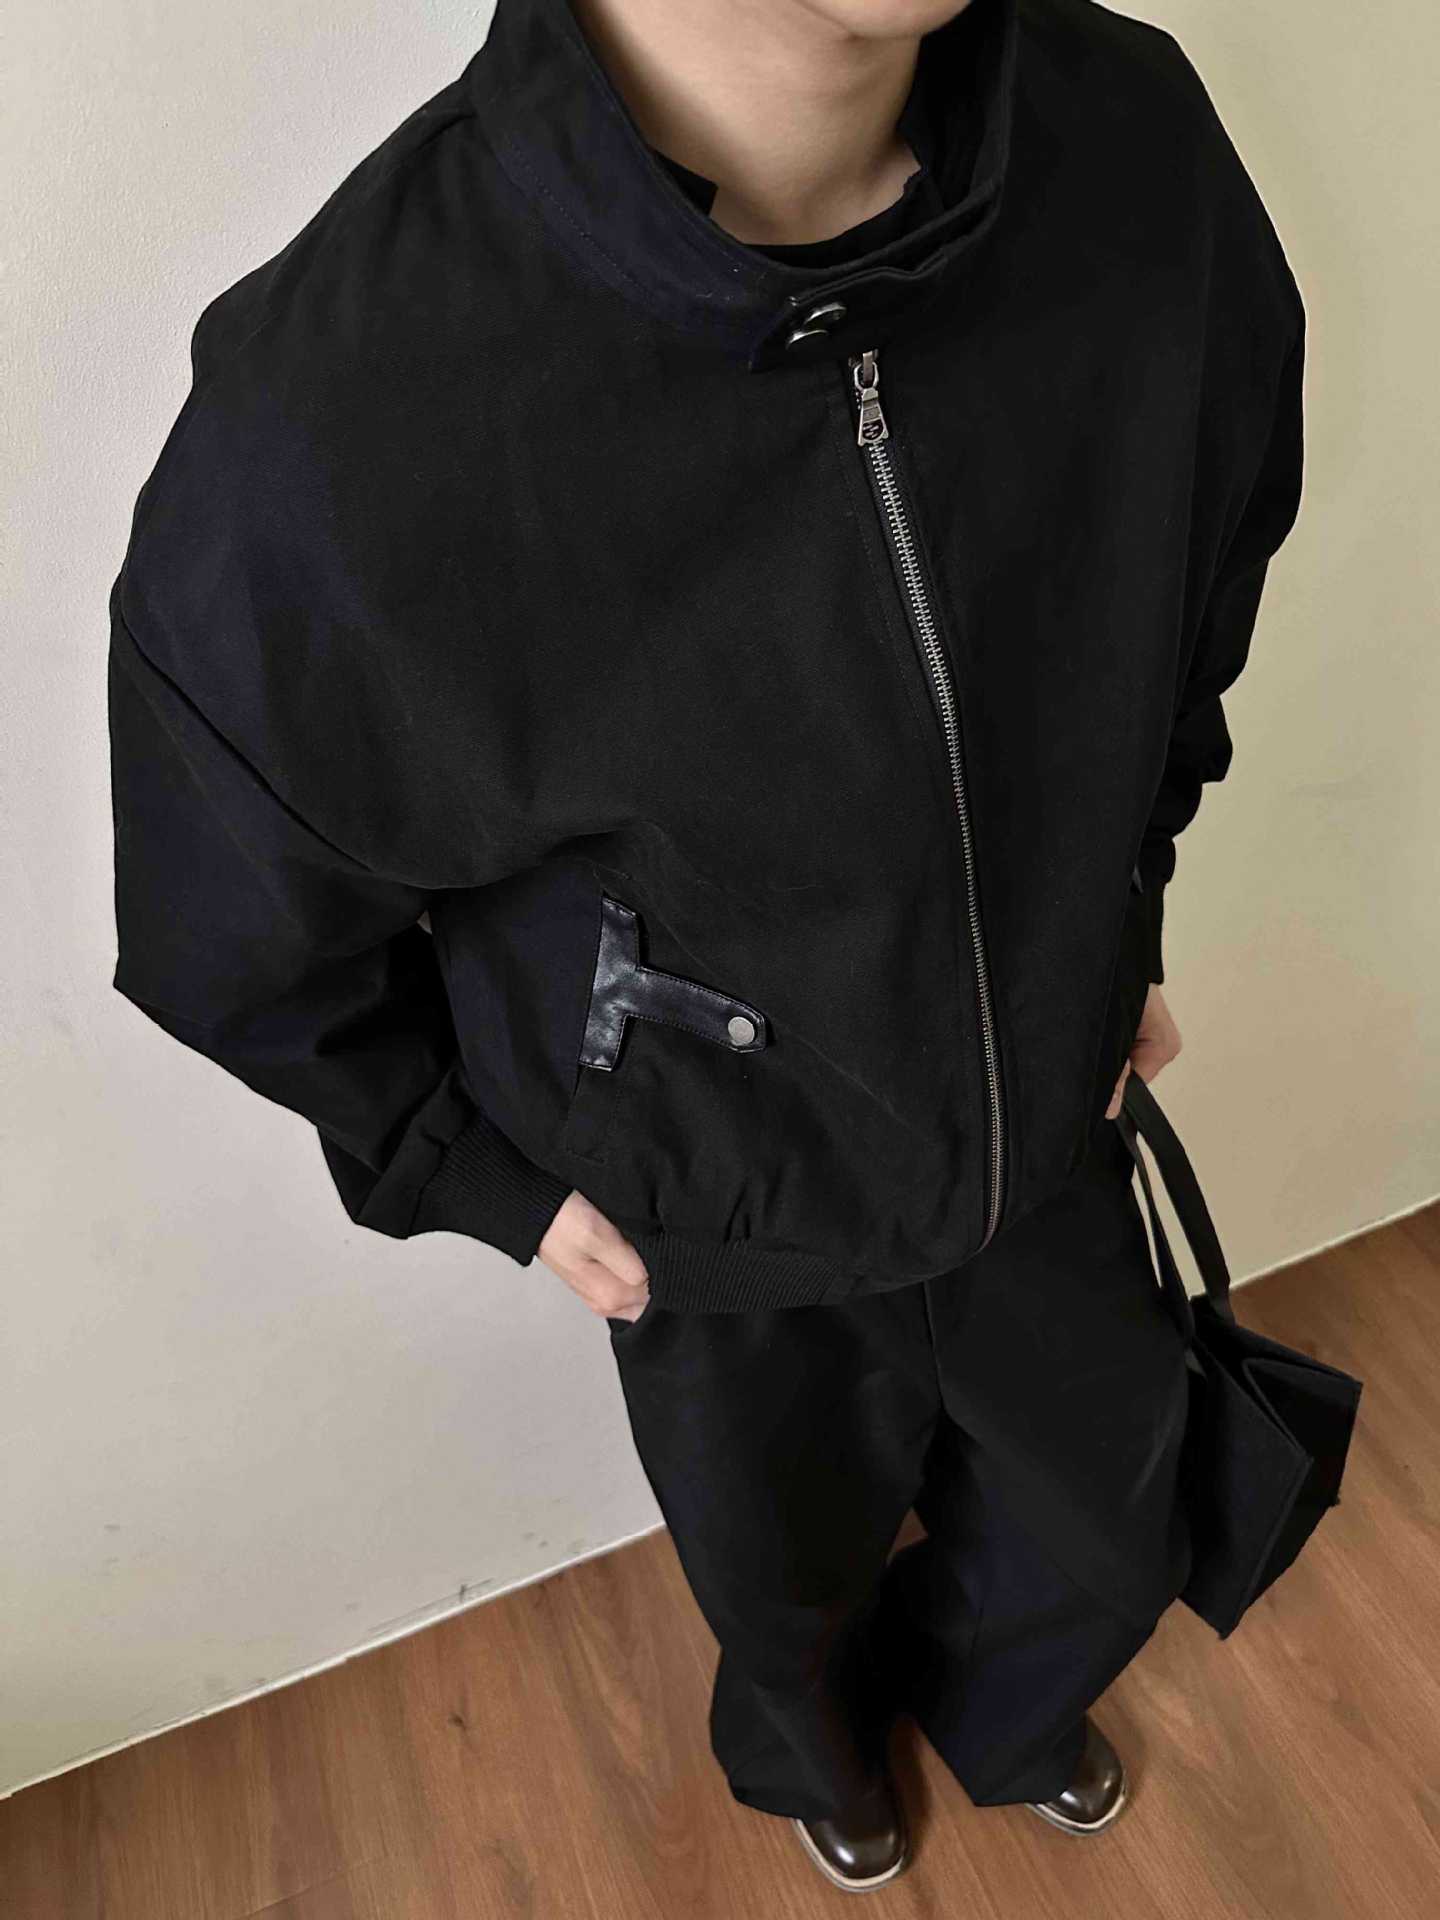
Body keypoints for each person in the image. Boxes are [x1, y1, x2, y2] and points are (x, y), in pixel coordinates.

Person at [105, 0, 1304, 1892]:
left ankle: (1000, 1711)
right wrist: (469, 1169)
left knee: (1105, 1516)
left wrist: (1118, 895)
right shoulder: (347, 397)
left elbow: (1196, 573)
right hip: (708, 1199)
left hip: (1048, 1104)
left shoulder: (1133, 145)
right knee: (778, 1570)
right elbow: (230, 912)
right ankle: (814, 1762)